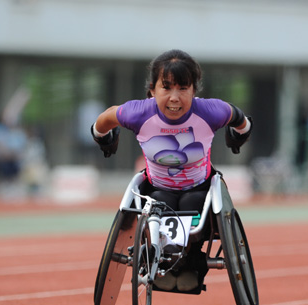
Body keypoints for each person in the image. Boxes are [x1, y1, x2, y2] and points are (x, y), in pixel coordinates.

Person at [91, 49, 253, 292]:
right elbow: (104, 120)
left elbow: (241, 120)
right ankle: (160, 258)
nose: (175, 98)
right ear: (152, 90)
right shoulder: (139, 113)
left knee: (193, 202)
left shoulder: (210, 111)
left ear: (194, 91)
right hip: (157, 190)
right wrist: (104, 138)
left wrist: (237, 137)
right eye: (166, 88)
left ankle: (192, 263)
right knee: (159, 203)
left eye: (183, 88)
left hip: (199, 189)